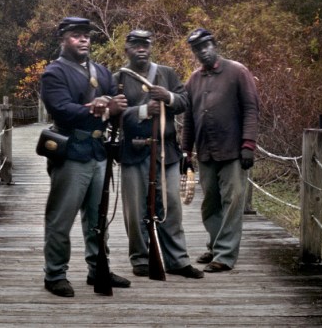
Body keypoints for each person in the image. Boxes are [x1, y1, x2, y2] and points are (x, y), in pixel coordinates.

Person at [40, 16, 131, 297]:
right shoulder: (53, 73)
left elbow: (116, 106)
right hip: (71, 152)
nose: (84, 40)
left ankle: (97, 269)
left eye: (87, 35)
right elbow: (62, 110)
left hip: (98, 151)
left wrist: (116, 111)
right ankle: (55, 274)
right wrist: (103, 107)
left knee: (98, 217)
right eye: (77, 35)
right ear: (63, 39)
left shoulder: (102, 72)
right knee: (61, 218)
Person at [117, 30, 204, 279]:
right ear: (127, 49)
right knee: (135, 210)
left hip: (166, 152)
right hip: (134, 151)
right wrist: (143, 110)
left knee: (172, 207)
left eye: (145, 44)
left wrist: (168, 96)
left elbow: (185, 101)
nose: (141, 49)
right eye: (135, 45)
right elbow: (114, 116)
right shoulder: (119, 79)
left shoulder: (166, 73)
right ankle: (141, 258)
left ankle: (177, 260)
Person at [181, 28, 259, 273]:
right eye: (197, 48)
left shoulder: (237, 71)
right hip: (206, 151)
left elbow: (251, 109)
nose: (202, 51)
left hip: (233, 150)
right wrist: (186, 152)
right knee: (209, 204)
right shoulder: (193, 79)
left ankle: (224, 255)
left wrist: (248, 144)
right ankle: (215, 245)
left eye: (206, 45)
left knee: (233, 200)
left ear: (214, 44)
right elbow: (189, 119)